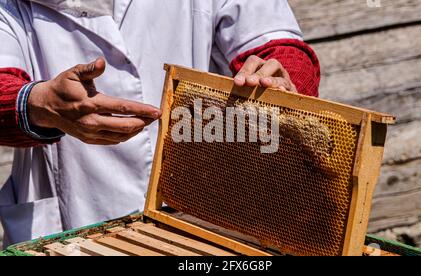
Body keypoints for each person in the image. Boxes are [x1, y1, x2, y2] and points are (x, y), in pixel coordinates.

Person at [0, 0, 320, 247]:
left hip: (199, 216)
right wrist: (39, 104)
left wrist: (281, 76)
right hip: (71, 222)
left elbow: (277, 44)